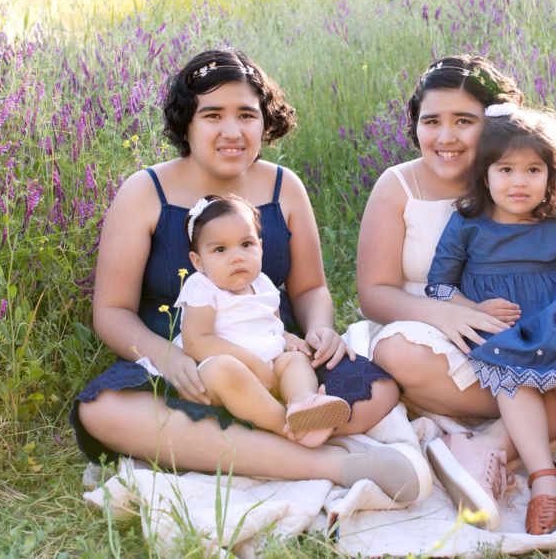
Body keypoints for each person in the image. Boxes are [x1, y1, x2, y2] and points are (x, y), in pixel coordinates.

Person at [72, 49, 428, 503]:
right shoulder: (146, 192)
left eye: (246, 114)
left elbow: (310, 287)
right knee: (103, 413)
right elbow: (111, 311)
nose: (232, 131)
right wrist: (169, 360)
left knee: (377, 390)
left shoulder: (284, 187)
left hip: (274, 357)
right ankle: (330, 463)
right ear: (187, 124)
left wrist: (319, 329)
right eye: (213, 115)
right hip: (185, 368)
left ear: (265, 122)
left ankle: (209, 448)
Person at [356, 55, 556, 529]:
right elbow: (374, 293)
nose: (446, 136)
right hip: (443, 336)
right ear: (416, 127)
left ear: (496, 128)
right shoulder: (399, 185)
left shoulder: (526, 189)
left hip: (535, 329)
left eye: (464, 121)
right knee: (395, 351)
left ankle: (493, 441)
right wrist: (449, 314)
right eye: (432, 121)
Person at [425, 108, 556, 533]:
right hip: (501, 328)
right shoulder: (467, 223)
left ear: (551, 176)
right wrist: (471, 310)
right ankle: (545, 482)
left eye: (533, 170)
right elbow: (439, 285)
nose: (520, 181)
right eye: (507, 169)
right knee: (514, 386)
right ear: (485, 174)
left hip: (552, 317)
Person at [145, 193, 351, 447]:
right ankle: (286, 426)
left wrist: (286, 338)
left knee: (295, 360)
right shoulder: (203, 287)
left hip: (267, 367)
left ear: (260, 247)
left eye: (246, 244)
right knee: (223, 370)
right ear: (198, 261)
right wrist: (252, 364)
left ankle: (303, 403)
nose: (237, 256)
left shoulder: (262, 283)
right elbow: (197, 342)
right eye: (220, 249)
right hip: (221, 377)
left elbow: (272, 323)